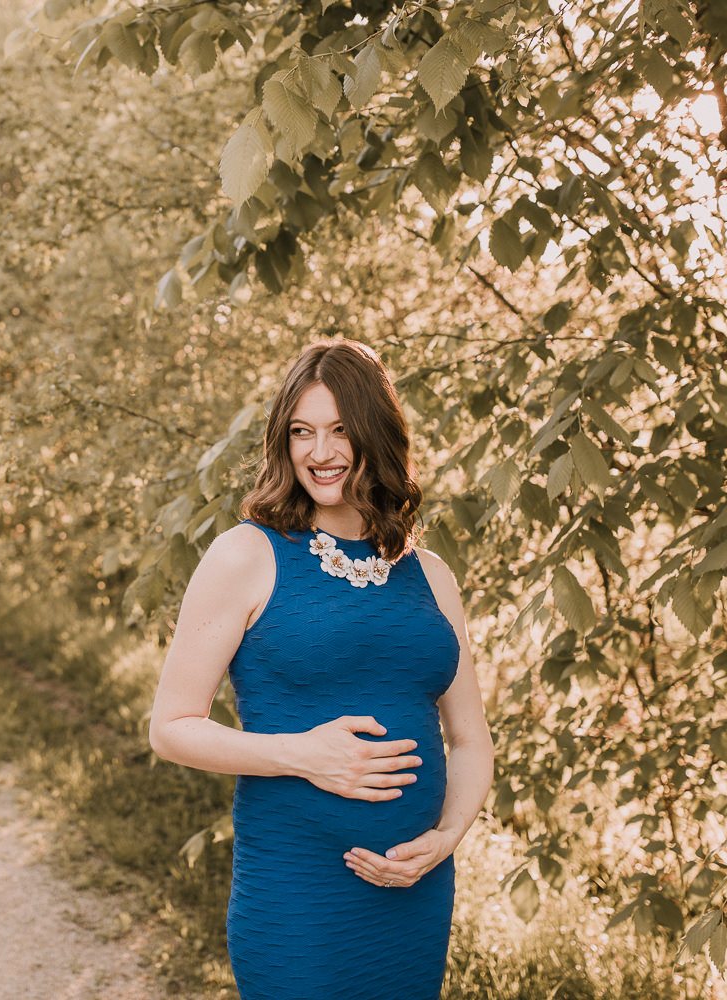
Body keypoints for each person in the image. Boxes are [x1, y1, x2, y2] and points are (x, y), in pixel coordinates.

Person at [149, 339, 493, 1000]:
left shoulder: (432, 576)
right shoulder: (245, 555)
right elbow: (171, 727)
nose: (320, 452)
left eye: (340, 431)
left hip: (415, 892)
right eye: (301, 432)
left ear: (378, 435)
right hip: (298, 895)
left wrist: (447, 836)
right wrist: (303, 755)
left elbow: (472, 740)